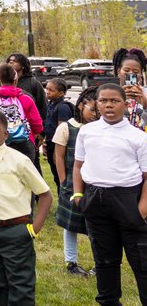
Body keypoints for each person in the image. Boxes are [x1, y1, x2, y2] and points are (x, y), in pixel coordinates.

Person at [0, 108, 53, 306]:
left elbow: (45, 195)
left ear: (5, 134)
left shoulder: (20, 161)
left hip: (16, 229)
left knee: (20, 283)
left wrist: (33, 230)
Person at [73, 82, 147, 305]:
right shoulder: (87, 131)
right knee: (105, 260)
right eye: (103, 100)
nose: (108, 105)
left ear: (125, 104)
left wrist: (141, 209)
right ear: (96, 103)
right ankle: (109, 301)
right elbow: (78, 165)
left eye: (114, 101)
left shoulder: (138, 136)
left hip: (128, 201)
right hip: (96, 200)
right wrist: (78, 195)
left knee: (142, 262)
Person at [53, 86, 97, 277]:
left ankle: (100, 262)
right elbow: (59, 157)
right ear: (80, 106)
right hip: (71, 183)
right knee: (70, 225)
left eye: (98, 110)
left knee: (96, 226)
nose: (95, 114)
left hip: (95, 185)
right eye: (92, 109)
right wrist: (63, 181)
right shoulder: (66, 127)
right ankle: (71, 262)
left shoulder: (100, 129)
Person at [0, 63, 43, 163]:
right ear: (15, 79)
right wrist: (34, 133)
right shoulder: (25, 98)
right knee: (24, 175)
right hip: (24, 143)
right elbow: (36, 123)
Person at [42, 76, 74, 189]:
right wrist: (45, 142)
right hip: (51, 143)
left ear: (61, 93)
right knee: (55, 175)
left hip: (59, 146)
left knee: (61, 174)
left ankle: (64, 197)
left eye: (51, 90)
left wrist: (57, 152)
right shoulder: (51, 105)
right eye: (47, 89)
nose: (47, 92)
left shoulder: (63, 108)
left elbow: (62, 131)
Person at [6, 53, 48, 128]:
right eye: (9, 61)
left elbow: (43, 107)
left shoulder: (33, 83)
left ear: (23, 66)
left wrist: (41, 131)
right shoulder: (4, 82)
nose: (11, 62)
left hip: (28, 127)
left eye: (15, 61)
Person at [113, 47, 147, 130]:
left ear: (141, 74)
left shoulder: (145, 93)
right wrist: (119, 100)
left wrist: (146, 105)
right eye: (126, 70)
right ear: (118, 71)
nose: (131, 74)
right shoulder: (110, 94)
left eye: (135, 72)